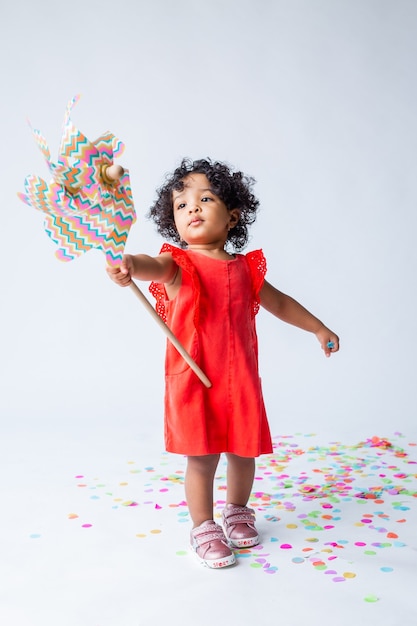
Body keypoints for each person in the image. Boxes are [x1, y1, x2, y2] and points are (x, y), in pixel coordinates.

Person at [107, 158, 339, 569]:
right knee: (202, 457)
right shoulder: (177, 265)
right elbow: (150, 265)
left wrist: (317, 327)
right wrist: (129, 265)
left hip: (240, 380)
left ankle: (236, 510)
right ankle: (203, 526)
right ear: (172, 220)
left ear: (232, 216)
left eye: (205, 199)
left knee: (242, 451)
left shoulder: (245, 269)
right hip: (195, 379)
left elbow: (280, 303)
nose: (192, 208)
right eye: (181, 205)